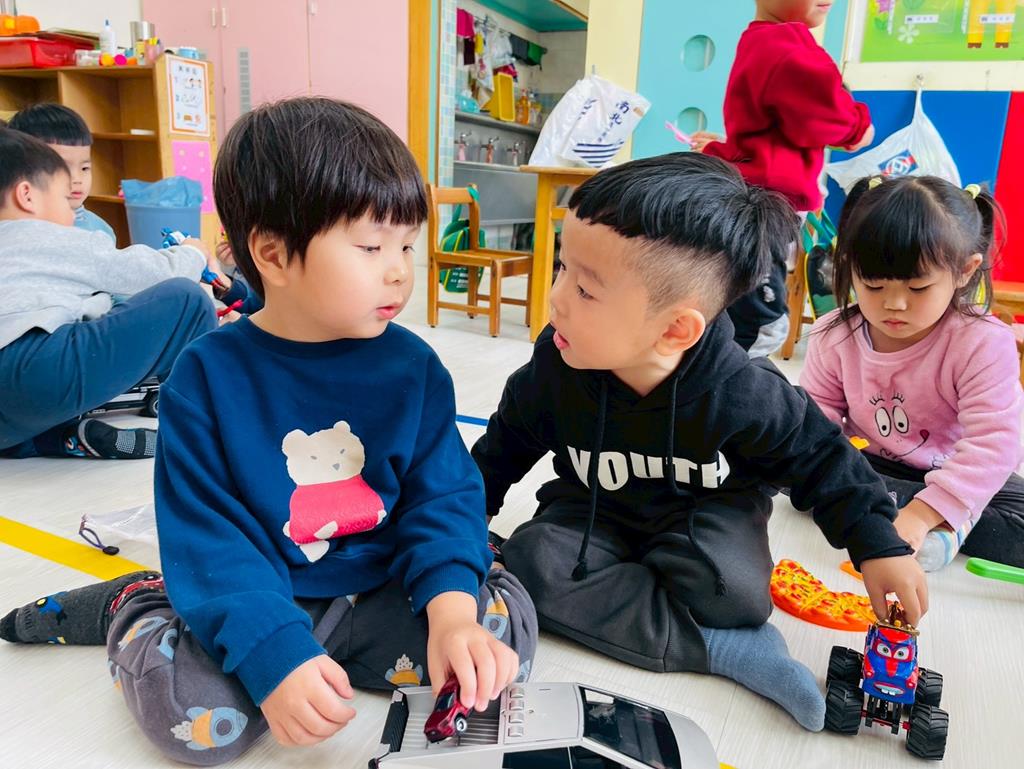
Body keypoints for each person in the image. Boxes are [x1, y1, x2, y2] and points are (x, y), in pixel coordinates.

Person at [0, 97, 537, 765]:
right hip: (258, 586)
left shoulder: (415, 367)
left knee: (498, 641)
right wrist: (274, 653)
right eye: (372, 247)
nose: (401, 269)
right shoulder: (207, 377)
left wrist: (451, 611)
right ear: (274, 254)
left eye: (407, 244)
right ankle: (136, 602)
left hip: (378, 585)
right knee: (197, 721)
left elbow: (443, 496)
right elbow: (211, 537)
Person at [472, 153, 927, 732]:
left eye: (584, 289)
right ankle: (717, 647)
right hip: (592, 514)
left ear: (675, 329)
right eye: (563, 267)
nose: (555, 297)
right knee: (530, 559)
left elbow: (822, 458)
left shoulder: (743, 391)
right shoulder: (556, 367)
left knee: (737, 593)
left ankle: (719, 630)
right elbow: (501, 448)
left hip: (705, 517)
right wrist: (460, 523)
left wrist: (879, 546)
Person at [802, 175, 1024, 571]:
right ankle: (935, 520)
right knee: (795, 469)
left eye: (918, 288)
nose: (895, 305)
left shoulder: (983, 342)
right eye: (873, 286)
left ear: (965, 271)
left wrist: (924, 512)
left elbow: (994, 445)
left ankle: (930, 517)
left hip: (955, 470)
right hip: (872, 465)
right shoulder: (833, 334)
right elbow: (815, 423)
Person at [0, 128, 219, 459]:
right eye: (64, 200)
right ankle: (204, 427)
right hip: (35, 369)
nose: (72, 213)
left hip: (12, 412)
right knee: (186, 299)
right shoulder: (55, 237)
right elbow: (157, 274)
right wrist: (193, 252)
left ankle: (55, 440)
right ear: (26, 196)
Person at [695, 0, 876, 357]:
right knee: (760, 317)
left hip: (757, 194)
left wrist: (722, 147)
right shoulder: (787, 45)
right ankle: (741, 367)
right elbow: (828, 115)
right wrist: (859, 127)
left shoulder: (759, 40)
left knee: (740, 289)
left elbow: (763, 130)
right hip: (768, 202)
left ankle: (731, 357)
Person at [9, 103, 116, 241]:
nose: (77, 179)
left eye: (84, 168)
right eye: (63, 169)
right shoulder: (18, 230)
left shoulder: (101, 230)